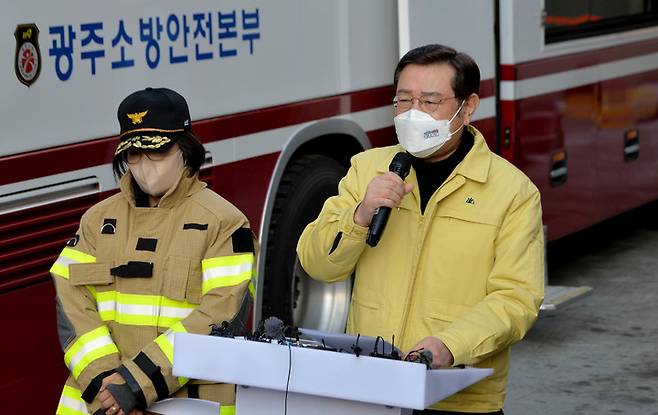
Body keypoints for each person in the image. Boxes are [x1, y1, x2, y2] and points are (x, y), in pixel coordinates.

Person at [296, 44, 544, 414]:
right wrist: (360, 216)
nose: (413, 114)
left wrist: (451, 346)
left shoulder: (512, 192)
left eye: (429, 102)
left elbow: (516, 298)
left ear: (469, 106)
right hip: (371, 386)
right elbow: (317, 263)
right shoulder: (368, 169)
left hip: (458, 396)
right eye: (403, 100)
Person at [51, 87, 257, 415]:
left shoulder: (224, 222)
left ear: (185, 149)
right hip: (100, 403)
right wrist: (104, 380)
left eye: (157, 151)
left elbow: (220, 316)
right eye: (134, 153)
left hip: (186, 402)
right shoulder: (98, 220)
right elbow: (72, 301)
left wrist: (134, 384)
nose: (145, 164)